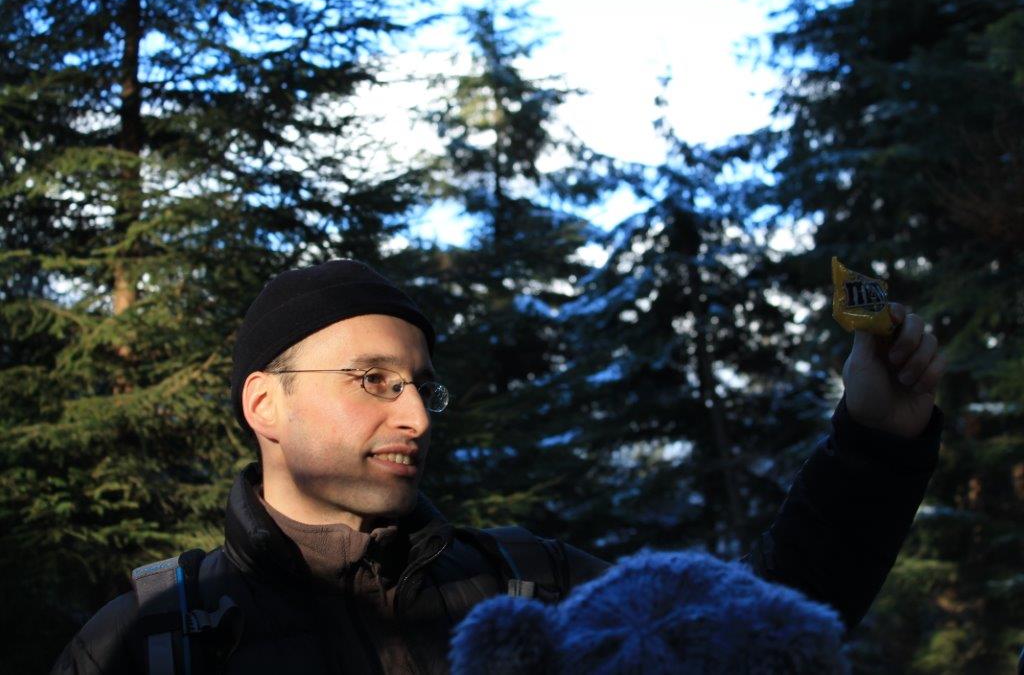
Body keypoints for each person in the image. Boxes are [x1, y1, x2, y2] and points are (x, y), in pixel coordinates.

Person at [52, 259, 946, 674]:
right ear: (264, 405)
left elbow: (765, 622)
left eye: (421, 386)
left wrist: (875, 439)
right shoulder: (149, 642)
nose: (414, 414)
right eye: (373, 380)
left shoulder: (530, 586)